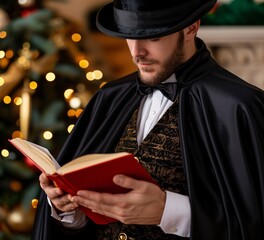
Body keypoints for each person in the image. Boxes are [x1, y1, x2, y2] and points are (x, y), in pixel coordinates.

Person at [32, 0, 264, 239]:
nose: (137, 53)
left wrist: (167, 211)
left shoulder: (241, 108)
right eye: (129, 37)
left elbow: (253, 224)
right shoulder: (109, 98)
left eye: (153, 37)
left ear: (191, 27)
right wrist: (67, 209)